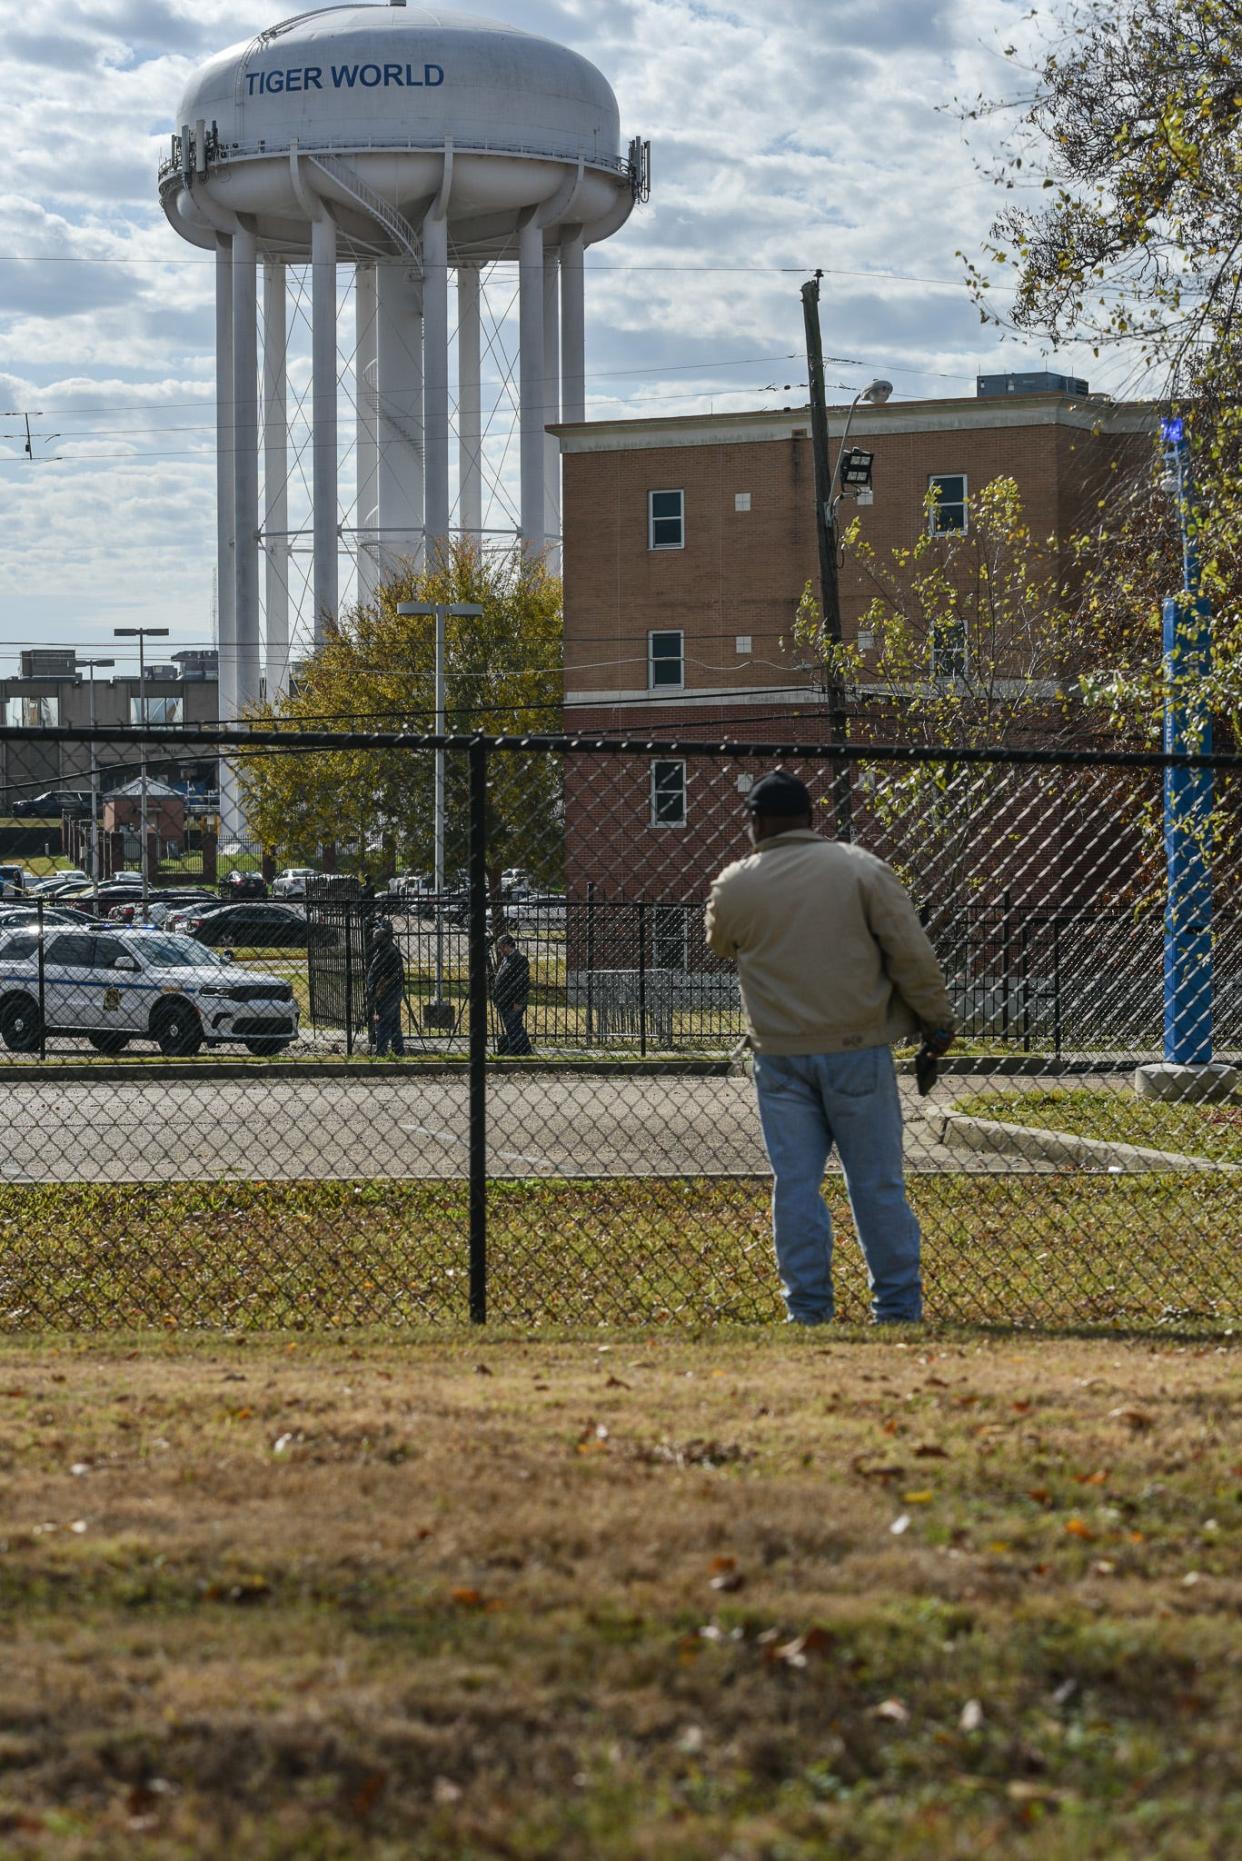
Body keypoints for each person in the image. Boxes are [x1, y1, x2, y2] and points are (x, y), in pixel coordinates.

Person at [706, 769, 954, 1325]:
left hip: (779, 1053)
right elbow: (910, 952)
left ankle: (809, 1310)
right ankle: (895, 1308)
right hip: (856, 1046)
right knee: (876, 1184)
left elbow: (721, 940)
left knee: (795, 1186)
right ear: (812, 819)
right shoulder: (860, 868)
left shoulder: (737, 883)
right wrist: (935, 1021)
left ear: (756, 821)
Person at [365, 918, 406, 1057]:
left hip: (387, 993)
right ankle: (399, 1051)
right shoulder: (389, 949)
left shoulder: (386, 952)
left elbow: (378, 975)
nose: (375, 939)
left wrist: (374, 990)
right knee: (394, 1023)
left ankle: (381, 1053)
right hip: (392, 992)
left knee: (383, 1023)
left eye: (377, 937)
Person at [492, 933, 532, 1055]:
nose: (499, 951)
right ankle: (523, 1050)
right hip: (504, 1000)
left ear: (507, 946)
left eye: (501, 947)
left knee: (514, 1026)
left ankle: (518, 1050)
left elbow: (523, 983)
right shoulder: (506, 960)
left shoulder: (520, 960)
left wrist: (518, 1001)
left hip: (513, 1001)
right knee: (512, 1026)